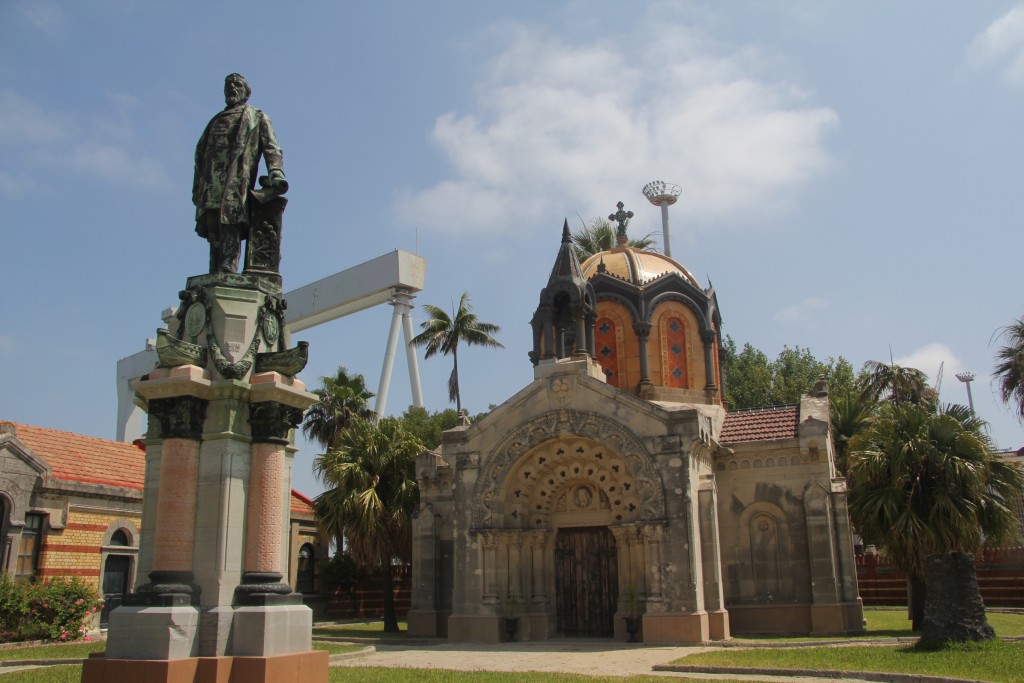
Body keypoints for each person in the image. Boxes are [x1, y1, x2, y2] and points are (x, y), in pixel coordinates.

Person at [193, 73, 287, 273]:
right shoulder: (215, 121)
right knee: (214, 225)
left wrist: (276, 172)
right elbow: (200, 155)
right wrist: (197, 186)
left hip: (236, 180)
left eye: (237, 85)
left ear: (246, 92)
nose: (232, 88)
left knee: (231, 221)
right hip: (211, 182)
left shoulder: (256, 117)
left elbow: (272, 148)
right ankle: (215, 269)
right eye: (228, 85)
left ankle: (228, 265)